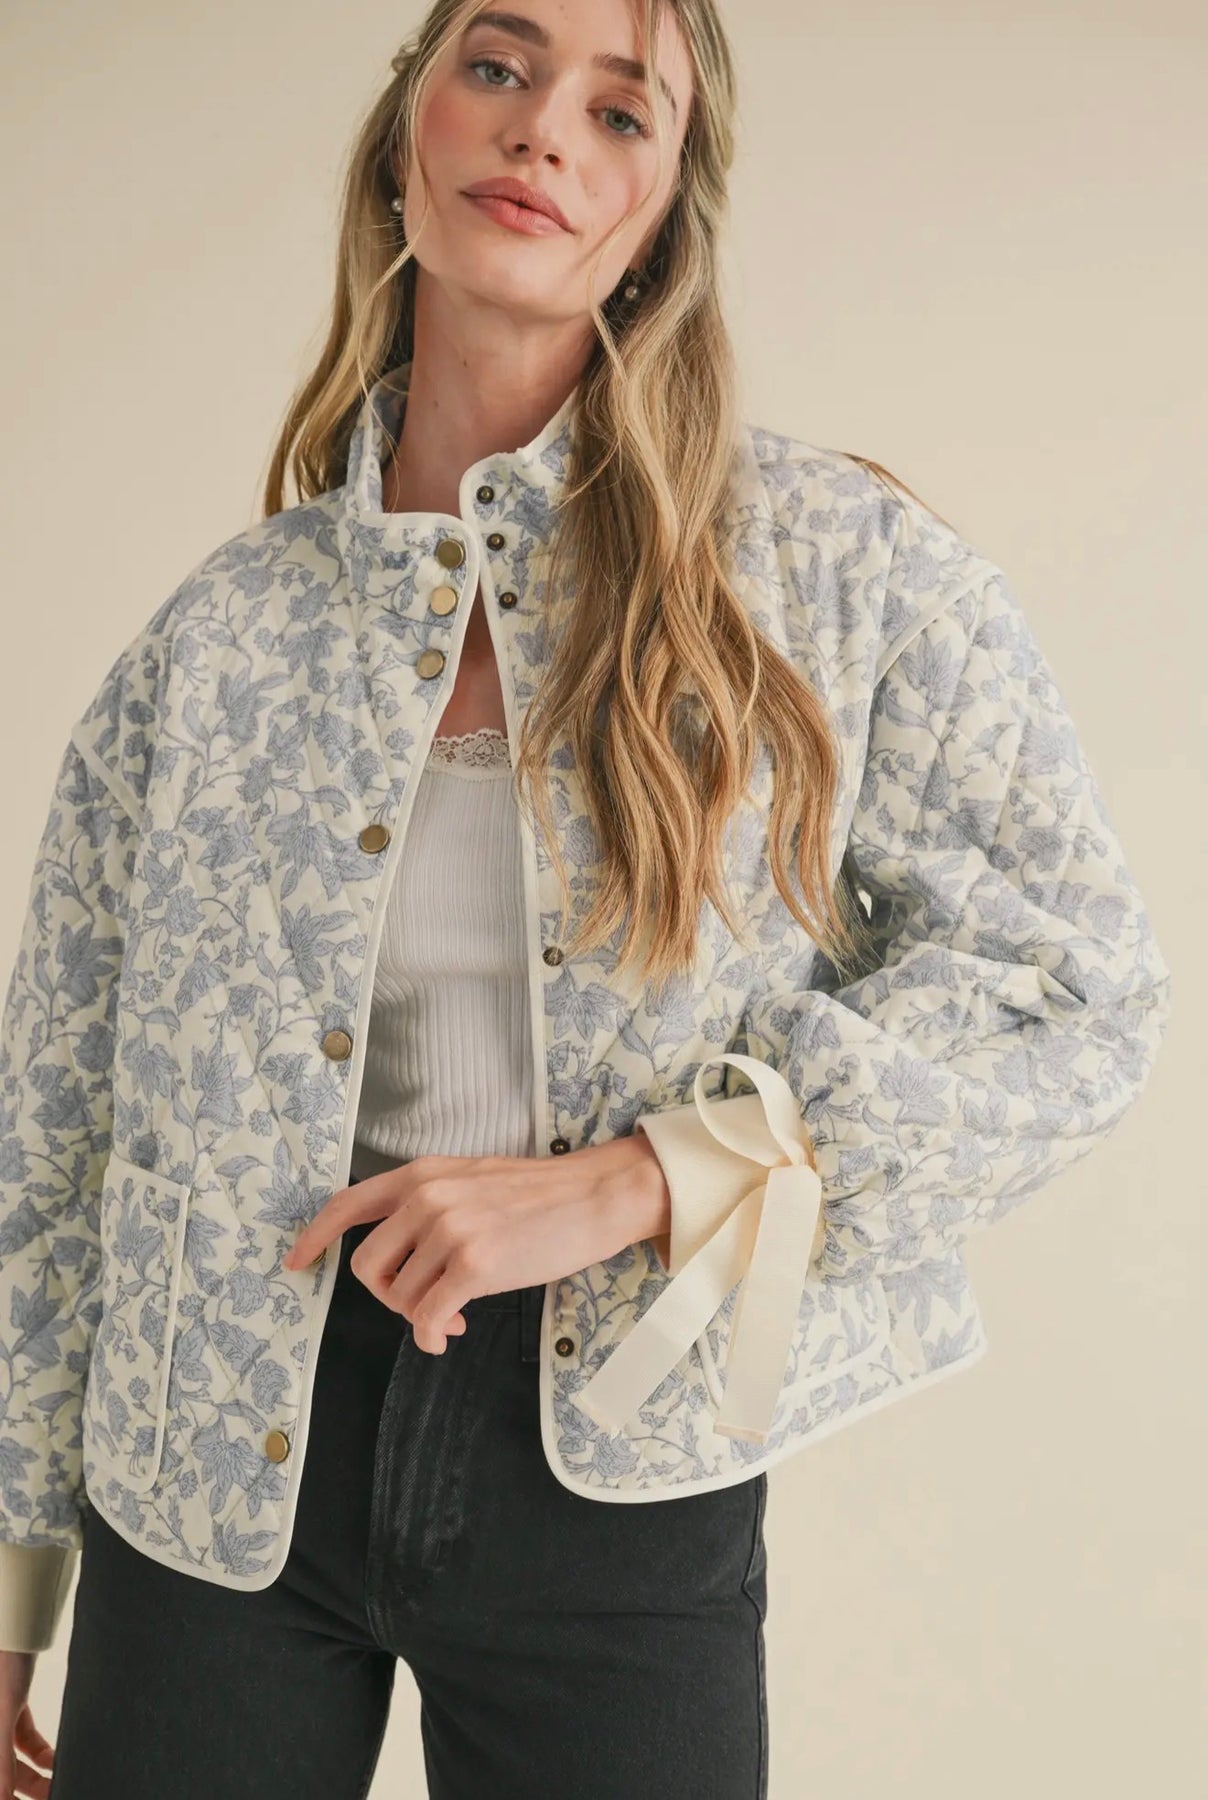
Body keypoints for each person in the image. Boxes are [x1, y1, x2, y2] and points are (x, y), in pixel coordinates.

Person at [0, 2, 1172, 1797]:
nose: (543, 128)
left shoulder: (839, 574)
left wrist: (644, 1178)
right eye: (497, 66)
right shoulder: (222, 634)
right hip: (200, 1449)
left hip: (617, 1461)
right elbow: (60, 1111)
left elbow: (1073, 992)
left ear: (664, 217)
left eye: (621, 112)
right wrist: (15, 1566)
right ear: (406, 135)